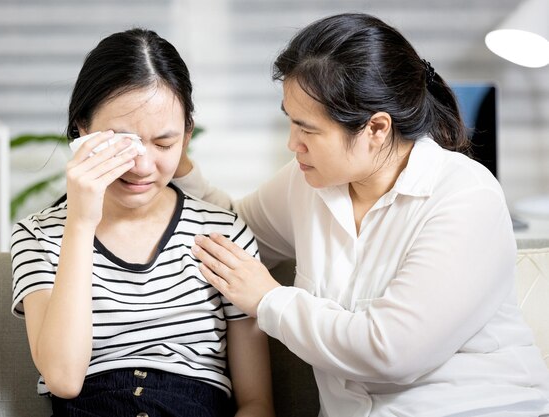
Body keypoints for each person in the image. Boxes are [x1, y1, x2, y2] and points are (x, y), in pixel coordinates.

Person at [174, 13, 549, 417]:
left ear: (375, 129)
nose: (292, 143)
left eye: (308, 130)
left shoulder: (465, 196)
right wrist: (169, 156)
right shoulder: (308, 184)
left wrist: (269, 300)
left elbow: (392, 351)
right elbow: (231, 226)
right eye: (290, 121)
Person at [10, 28, 275, 417]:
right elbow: (63, 378)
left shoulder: (225, 233)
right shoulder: (39, 235)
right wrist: (81, 223)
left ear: (187, 134)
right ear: (82, 129)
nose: (143, 167)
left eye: (164, 144)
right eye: (123, 142)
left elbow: (256, 403)